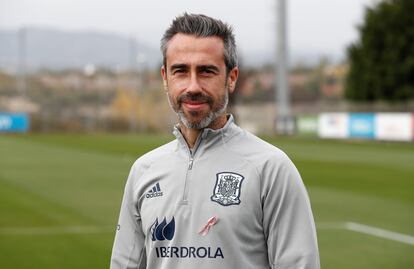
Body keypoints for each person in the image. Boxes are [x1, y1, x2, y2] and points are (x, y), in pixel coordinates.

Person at [110, 13, 320, 269]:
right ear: (165, 78)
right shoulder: (144, 171)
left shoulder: (271, 168)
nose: (193, 86)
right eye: (181, 71)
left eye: (206, 71)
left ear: (231, 78)